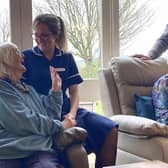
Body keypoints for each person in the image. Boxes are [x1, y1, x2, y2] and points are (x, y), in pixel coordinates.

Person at [22, 13, 118, 168]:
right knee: (73, 141)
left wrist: (72, 114)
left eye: (44, 35)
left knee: (110, 129)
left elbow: (74, 92)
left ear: (56, 35)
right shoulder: (26, 57)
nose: (39, 39)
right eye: (36, 35)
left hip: (67, 109)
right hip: (42, 114)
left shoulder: (66, 58)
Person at [0, 42, 78, 168]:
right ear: (6, 59)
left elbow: (50, 114)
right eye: (17, 52)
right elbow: (22, 120)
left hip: (38, 149)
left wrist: (56, 91)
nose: (23, 56)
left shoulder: (28, 89)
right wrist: (60, 126)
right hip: (9, 152)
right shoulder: (2, 88)